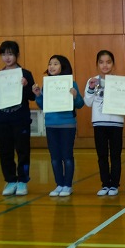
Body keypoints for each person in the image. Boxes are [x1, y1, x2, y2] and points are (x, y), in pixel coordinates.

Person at [0, 40, 35, 196]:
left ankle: (23, 181)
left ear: (17, 55)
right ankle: (11, 180)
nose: (7, 57)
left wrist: (26, 85)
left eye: (10, 54)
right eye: (4, 54)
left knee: (23, 151)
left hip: (21, 119)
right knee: (5, 151)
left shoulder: (26, 74)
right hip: (2, 119)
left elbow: (32, 96)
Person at [32, 55, 84, 197]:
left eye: (56, 63)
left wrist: (75, 96)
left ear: (63, 66)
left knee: (67, 156)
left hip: (67, 124)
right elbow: (43, 106)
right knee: (54, 157)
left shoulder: (71, 84)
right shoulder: (47, 84)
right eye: (50, 64)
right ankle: (59, 184)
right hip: (51, 124)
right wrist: (38, 95)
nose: (52, 66)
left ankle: (67, 185)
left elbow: (80, 104)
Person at [84, 50, 125, 196]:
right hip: (99, 123)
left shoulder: (120, 81)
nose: (105, 65)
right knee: (102, 155)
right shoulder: (92, 80)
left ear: (113, 64)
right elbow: (87, 102)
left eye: (108, 62)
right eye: (101, 62)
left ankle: (114, 185)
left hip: (116, 123)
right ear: (97, 64)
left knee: (115, 155)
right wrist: (90, 88)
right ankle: (105, 184)